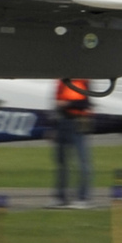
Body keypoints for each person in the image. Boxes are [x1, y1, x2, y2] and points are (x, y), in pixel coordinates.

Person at [51, 78, 94, 208]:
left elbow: (85, 102)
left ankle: (83, 198)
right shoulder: (61, 81)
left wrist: (67, 104)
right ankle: (60, 197)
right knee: (61, 163)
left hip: (78, 121)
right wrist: (53, 127)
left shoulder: (83, 80)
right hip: (62, 122)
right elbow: (56, 103)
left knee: (83, 163)